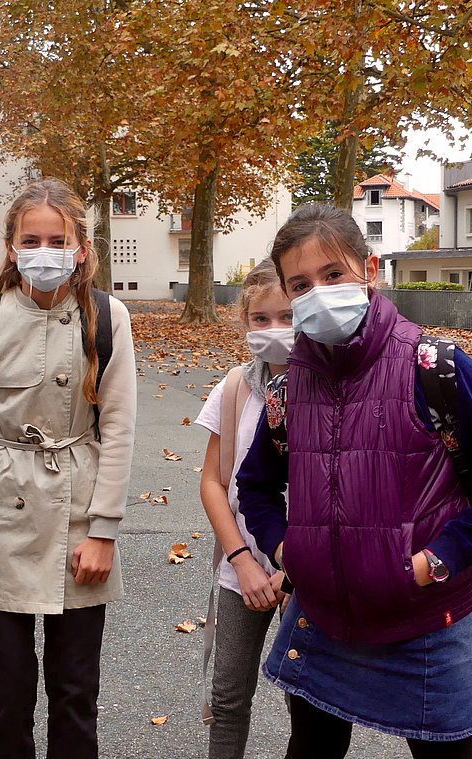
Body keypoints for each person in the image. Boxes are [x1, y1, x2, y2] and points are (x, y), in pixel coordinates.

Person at [236, 204, 472, 759]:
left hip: (426, 620)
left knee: (444, 753)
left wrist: (430, 563)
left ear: (370, 270)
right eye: (300, 284)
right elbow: (254, 485)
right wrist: (286, 547)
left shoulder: (434, 365)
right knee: (312, 748)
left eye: (333, 275)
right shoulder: (287, 389)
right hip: (321, 618)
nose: (318, 292)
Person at [0, 177, 137, 759]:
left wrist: (103, 531)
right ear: (11, 245)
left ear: (81, 248)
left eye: (58, 239)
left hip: (78, 508)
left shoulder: (106, 315)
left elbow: (119, 428)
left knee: (76, 693)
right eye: (32, 239)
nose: (44, 251)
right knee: (6, 692)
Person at [194, 259, 292, 759]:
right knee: (229, 697)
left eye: (287, 316)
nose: (274, 329)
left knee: (309, 701)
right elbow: (213, 482)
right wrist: (242, 560)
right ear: (244, 321)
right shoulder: (235, 388)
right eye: (261, 319)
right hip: (242, 568)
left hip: (306, 574)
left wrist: (289, 572)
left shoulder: (329, 391)